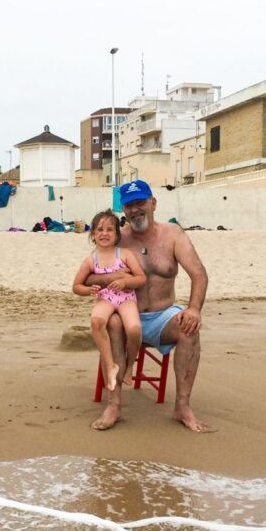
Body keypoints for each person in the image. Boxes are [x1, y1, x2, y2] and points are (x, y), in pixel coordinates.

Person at [85, 179, 211, 432]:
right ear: (123, 209)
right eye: (129, 205)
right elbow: (87, 277)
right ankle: (114, 405)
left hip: (162, 317)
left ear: (153, 203)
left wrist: (194, 309)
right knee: (113, 324)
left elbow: (199, 274)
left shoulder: (173, 235)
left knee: (189, 328)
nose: (135, 209)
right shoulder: (117, 239)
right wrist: (111, 278)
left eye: (140, 202)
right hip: (124, 313)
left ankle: (182, 407)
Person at [72, 210, 146, 391]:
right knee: (96, 322)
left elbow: (141, 278)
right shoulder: (91, 260)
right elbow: (76, 286)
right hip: (105, 298)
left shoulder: (125, 254)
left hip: (126, 298)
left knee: (134, 329)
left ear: (117, 234)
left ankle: (129, 365)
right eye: (100, 229)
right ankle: (110, 365)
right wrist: (88, 290)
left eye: (109, 229)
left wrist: (125, 282)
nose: (104, 233)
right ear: (93, 234)